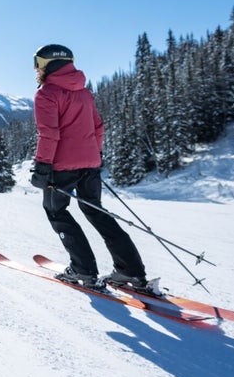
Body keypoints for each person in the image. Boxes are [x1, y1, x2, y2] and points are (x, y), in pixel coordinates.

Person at [29, 44, 148, 290]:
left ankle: (83, 270)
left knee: (56, 211)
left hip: (60, 167)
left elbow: (49, 133)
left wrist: (42, 166)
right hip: (90, 164)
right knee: (95, 211)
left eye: (37, 63)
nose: (36, 69)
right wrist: (94, 154)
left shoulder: (46, 93)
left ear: (47, 64)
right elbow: (98, 128)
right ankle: (131, 271)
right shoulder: (84, 92)